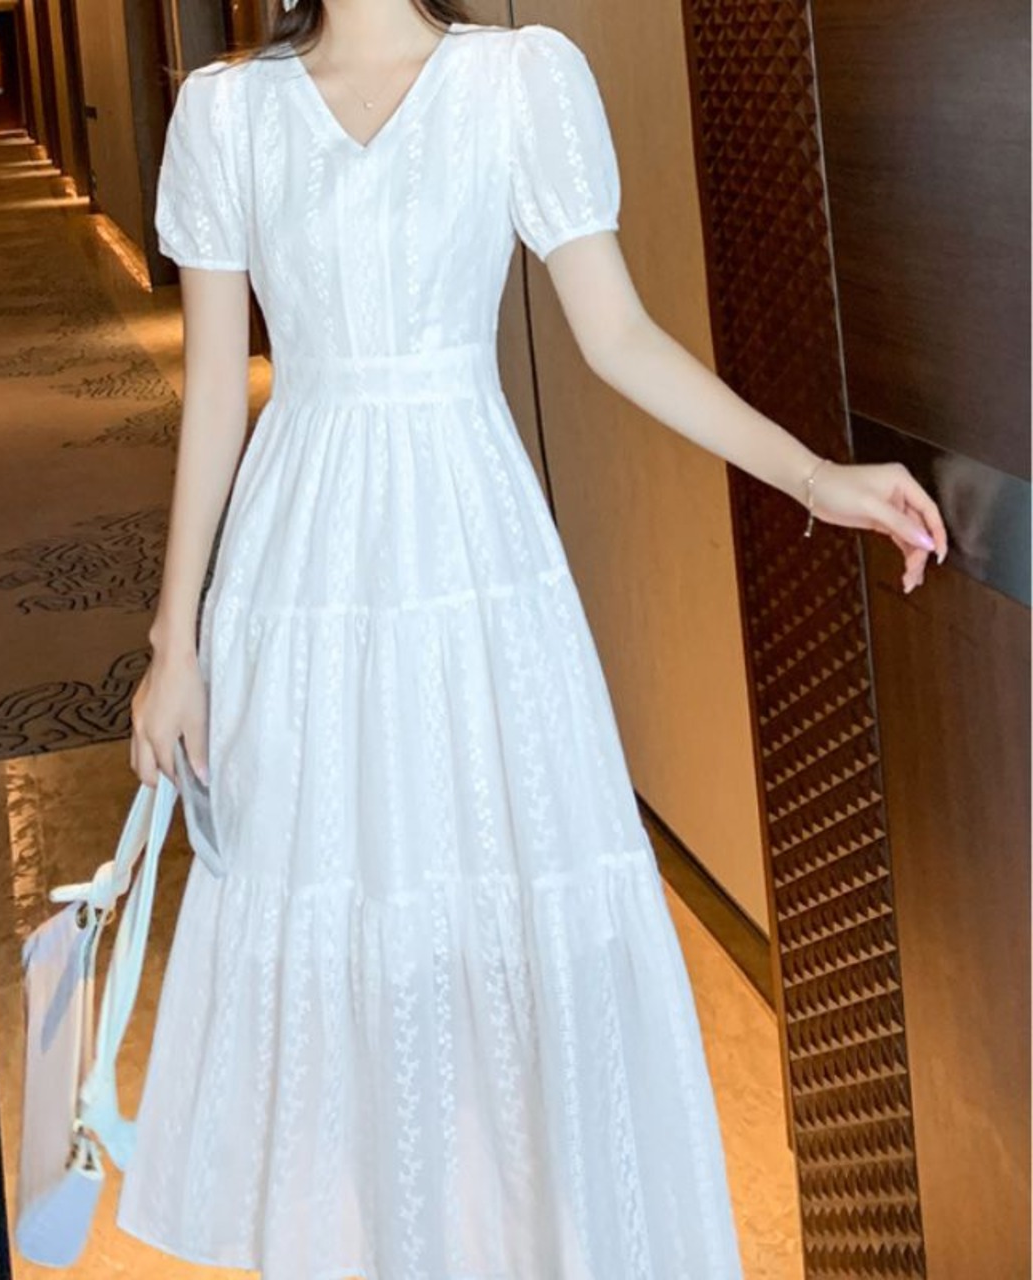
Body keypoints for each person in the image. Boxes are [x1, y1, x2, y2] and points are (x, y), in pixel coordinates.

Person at [119, 3, 949, 1276]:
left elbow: (615, 337)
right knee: (332, 906)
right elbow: (217, 400)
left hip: (471, 557)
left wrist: (809, 475)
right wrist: (174, 641)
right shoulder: (224, 113)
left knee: (494, 905)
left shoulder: (516, 79)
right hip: (298, 571)